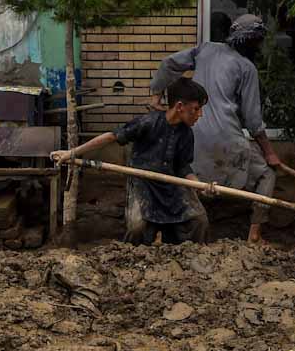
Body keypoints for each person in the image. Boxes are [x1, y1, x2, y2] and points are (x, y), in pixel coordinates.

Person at [150, 13, 282, 245]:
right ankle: (254, 235)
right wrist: (270, 153)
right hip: (227, 140)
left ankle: (162, 232)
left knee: (178, 175)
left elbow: (169, 63)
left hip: (191, 136)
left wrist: (156, 96)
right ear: (252, 42)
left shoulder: (205, 50)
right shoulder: (246, 67)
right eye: (258, 42)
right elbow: (253, 121)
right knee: (266, 174)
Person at [52, 78, 213, 245]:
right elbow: (112, 136)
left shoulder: (187, 134)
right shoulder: (148, 122)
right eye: (196, 109)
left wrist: (200, 186)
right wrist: (72, 153)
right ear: (180, 106)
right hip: (143, 185)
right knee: (138, 228)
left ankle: (189, 261)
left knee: (199, 221)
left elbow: (183, 168)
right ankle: (133, 261)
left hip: (171, 187)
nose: (200, 114)